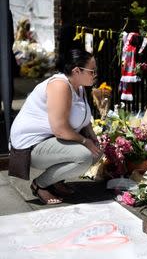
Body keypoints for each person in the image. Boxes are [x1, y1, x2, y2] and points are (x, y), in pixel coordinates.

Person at [9, 49, 102, 205]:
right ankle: (40, 185)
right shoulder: (60, 85)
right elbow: (60, 129)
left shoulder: (79, 87)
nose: (95, 74)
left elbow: (84, 119)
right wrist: (86, 142)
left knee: (96, 152)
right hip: (29, 146)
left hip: (51, 140)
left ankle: (55, 181)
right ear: (77, 71)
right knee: (85, 156)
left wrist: (93, 137)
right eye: (92, 71)